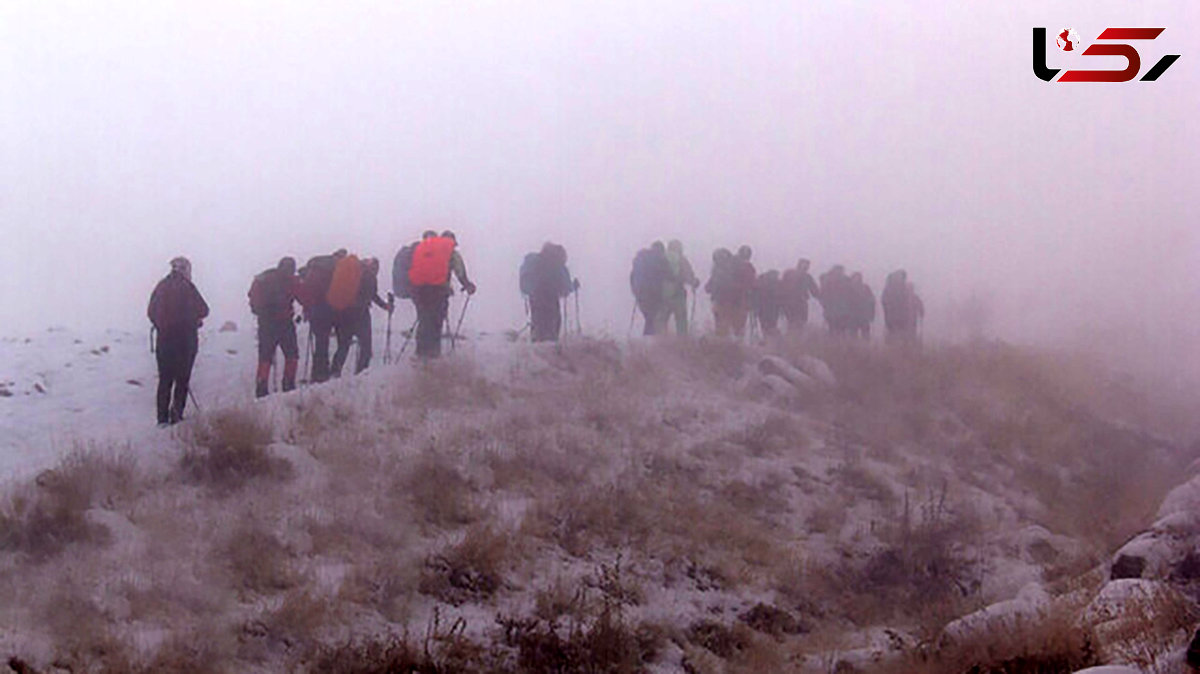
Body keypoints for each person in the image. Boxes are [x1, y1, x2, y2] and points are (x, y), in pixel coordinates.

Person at [147, 257, 209, 426]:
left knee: (165, 379)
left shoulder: (161, 286)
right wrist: (192, 321)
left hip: (164, 340)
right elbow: (204, 309)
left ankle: (162, 419)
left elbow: (151, 311)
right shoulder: (187, 287)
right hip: (185, 340)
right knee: (182, 379)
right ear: (186, 269)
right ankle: (176, 415)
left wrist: (162, 326)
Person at [409, 230, 475, 358]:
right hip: (437, 292)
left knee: (423, 320)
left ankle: (420, 353)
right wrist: (467, 285)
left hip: (418, 290)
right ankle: (433, 355)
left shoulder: (424, 249)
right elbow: (460, 272)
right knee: (436, 322)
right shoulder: (451, 253)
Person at [248, 256, 300, 398]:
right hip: (285, 323)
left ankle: (261, 387)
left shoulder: (265, 279)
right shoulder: (290, 281)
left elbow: (252, 299)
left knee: (265, 357)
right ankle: (288, 385)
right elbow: (301, 295)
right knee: (292, 354)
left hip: (266, 323)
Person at [331, 257, 392, 375]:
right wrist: (386, 306)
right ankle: (361, 373)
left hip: (344, 313)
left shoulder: (352, 274)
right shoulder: (370, 276)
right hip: (360, 314)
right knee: (366, 347)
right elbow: (372, 295)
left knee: (343, 346)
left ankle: (335, 372)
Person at [297, 248, 346, 383]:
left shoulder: (317, 266)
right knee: (340, 341)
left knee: (321, 342)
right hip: (332, 308)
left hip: (316, 308)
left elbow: (308, 289)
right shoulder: (337, 268)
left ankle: (318, 374)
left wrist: (307, 308)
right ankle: (330, 372)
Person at [520, 242, 576, 343]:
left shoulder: (535, 263)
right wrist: (573, 286)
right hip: (551, 300)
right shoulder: (556, 265)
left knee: (538, 323)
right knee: (552, 325)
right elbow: (564, 287)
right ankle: (550, 347)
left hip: (535, 298)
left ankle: (537, 345)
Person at [630, 241, 671, 336]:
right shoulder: (660, 259)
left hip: (641, 295)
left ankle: (648, 343)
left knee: (649, 318)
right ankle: (650, 343)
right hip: (654, 295)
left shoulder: (640, 259)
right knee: (652, 319)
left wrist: (636, 292)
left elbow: (632, 277)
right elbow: (669, 274)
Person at [662, 240, 699, 336]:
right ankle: (681, 345)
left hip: (662, 297)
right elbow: (688, 276)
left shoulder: (661, 259)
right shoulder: (682, 260)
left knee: (662, 322)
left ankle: (660, 344)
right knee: (681, 322)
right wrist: (694, 282)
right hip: (678, 295)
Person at [780, 258, 820, 335]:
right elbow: (815, 291)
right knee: (799, 323)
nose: (807, 268)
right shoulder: (806, 277)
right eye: (806, 266)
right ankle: (795, 340)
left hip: (789, 304)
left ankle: (792, 340)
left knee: (793, 323)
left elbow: (781, 288)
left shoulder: (788, 274)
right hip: (798, 303)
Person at [705, 248, 736, 337]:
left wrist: (709, 288)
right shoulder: (730, 269)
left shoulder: (718, 270)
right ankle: (724, 342)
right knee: (724, 323)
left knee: (720, 323)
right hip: (727, 301)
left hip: (720, 300)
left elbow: (711, 285)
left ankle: (721, 342)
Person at [819, 265, 851, 336]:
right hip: (835, 310)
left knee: (839, 329)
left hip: (841, 310)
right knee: (835, 328)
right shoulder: (828, 281)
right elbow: (822, 294)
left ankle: (836, 344)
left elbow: (822, 295)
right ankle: (836, 344)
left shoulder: (846, 280)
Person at [752, 270, 784, 338]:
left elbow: (755, 295)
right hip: (771, 306)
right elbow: (781, 295)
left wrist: (755, 308)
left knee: (766, 325)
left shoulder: (761, 282)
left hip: (766, 307)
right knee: (771, 324)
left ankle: (768, 338)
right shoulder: (776, 283)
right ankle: (771, 339)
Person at [849, 272, 875, 339]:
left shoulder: (865, 287)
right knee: (853, 335)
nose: (856, 279)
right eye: (855, 278)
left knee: (865, 334)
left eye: (858, 277)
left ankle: (866, 348)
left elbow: (872, 301)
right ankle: (853, 348)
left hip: (864, 315)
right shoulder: (848, 288)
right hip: (852, 316)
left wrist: (872, 313)